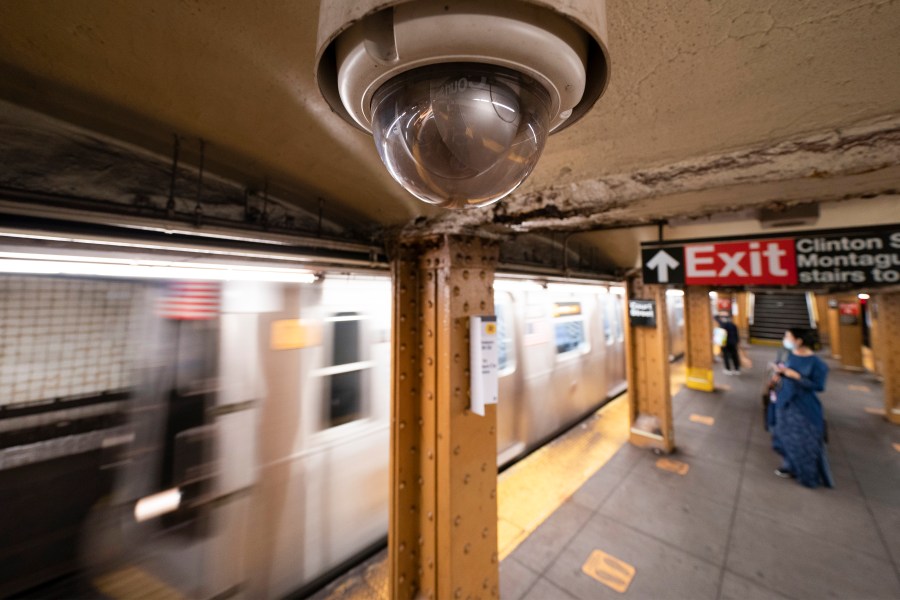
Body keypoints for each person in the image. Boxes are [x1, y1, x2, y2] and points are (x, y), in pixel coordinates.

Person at [770, 327, 833, 488]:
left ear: (799, 341)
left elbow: (819, 386)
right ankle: (789, 465)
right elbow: (785, 373)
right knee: (783, 435)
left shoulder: (818, 364)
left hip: (804, 406)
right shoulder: (789, 355)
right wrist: (779, 374)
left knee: (804, 441)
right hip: (784, 400)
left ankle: (807, 475)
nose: (785, 339)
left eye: (788, 336)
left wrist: (797, 376)